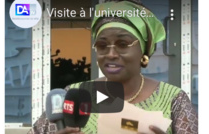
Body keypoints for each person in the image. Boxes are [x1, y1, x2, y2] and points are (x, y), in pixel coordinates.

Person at [27, 0, 198, 133]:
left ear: (144, 51)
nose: (110, 54)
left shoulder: (174, 100)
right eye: (102, 45)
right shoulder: (74, 96)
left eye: (123, 44)